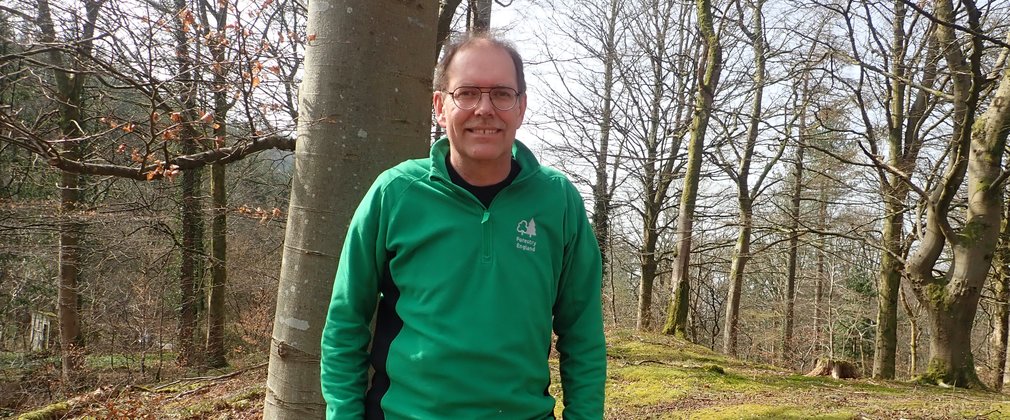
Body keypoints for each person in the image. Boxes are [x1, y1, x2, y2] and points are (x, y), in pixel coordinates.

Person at [319, 32, 606, 419]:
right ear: (440, 105)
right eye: (467, 93)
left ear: (521, 107)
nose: (484, 109)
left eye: (502, 94)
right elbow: (346, 321)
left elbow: (583, 334)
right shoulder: (396, 192)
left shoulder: (558, 200)